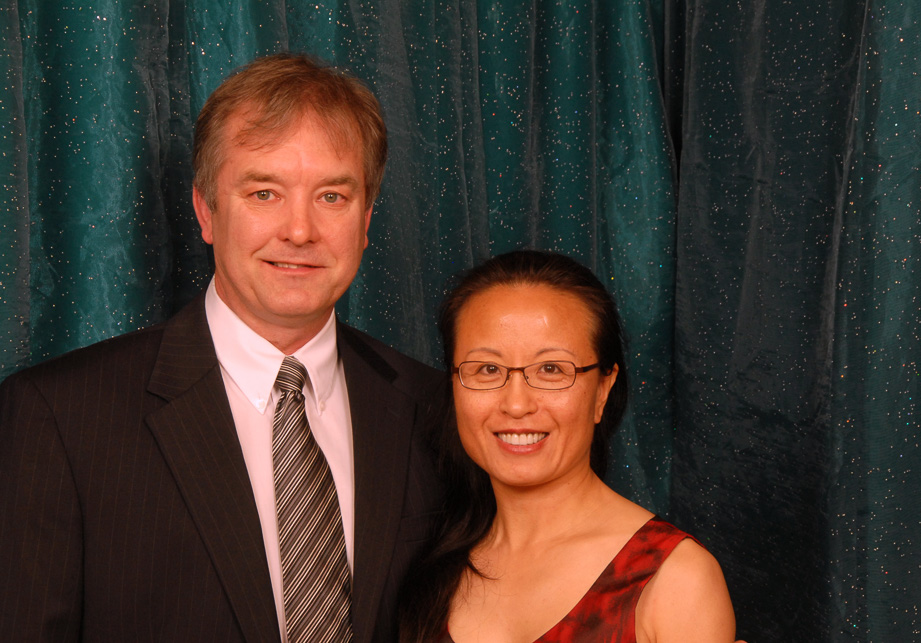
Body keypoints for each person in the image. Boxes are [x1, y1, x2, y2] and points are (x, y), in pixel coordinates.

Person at [0, 53, 444, 643]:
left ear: (365, 220)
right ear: (206, 211)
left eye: (332, 197)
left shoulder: (434, 409)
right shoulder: (59, 416)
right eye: (264, 193)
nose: (300, 231)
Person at [399, 250, 737, 642]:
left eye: (551, 369)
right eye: (488, 369)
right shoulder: (426, 565)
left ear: (603, 390)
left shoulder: (675, 579)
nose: (516, 404)